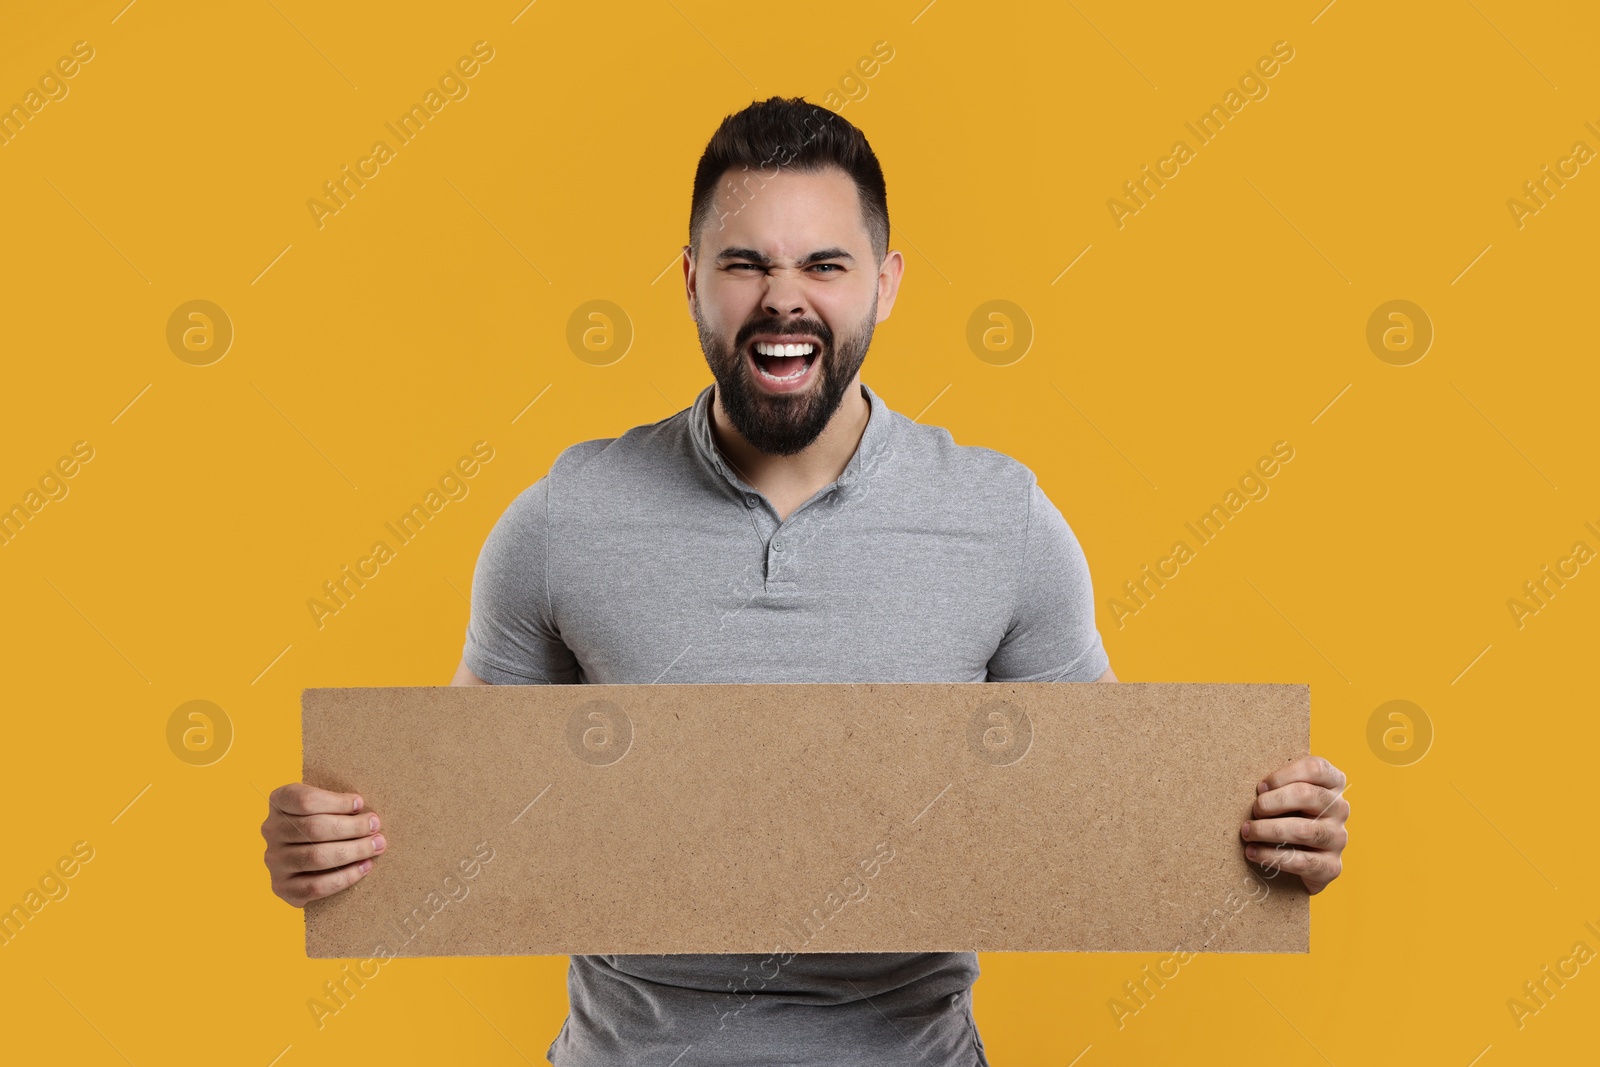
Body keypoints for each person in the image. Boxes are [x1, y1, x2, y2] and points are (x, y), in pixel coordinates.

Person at [262, 95, 1349, 1066]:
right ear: (692, 280)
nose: (784, 299)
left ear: (885, 281)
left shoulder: (999, 517)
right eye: (746, 264)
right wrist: (339, 846)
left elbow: (1109, 801)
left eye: (825, 264)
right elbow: (452, 806)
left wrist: (1270, 834)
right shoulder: (565, 517)